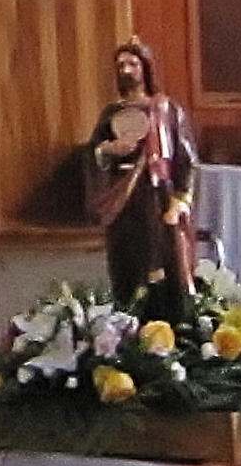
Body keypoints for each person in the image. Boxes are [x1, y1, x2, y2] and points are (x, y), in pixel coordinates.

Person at [85, 38, 202, 325]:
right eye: (121, 64)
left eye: (133, 64)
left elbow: (185, 159)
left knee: (164, 263)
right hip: (122, 200)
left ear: (145, 69)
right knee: (128, 264)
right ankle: (129, 325)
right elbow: (93, 153)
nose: (126, 70)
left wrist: (181, 199)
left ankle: (172, 328)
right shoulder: (111, 114)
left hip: (157, 196)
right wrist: (107, 151)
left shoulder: (166, 110)